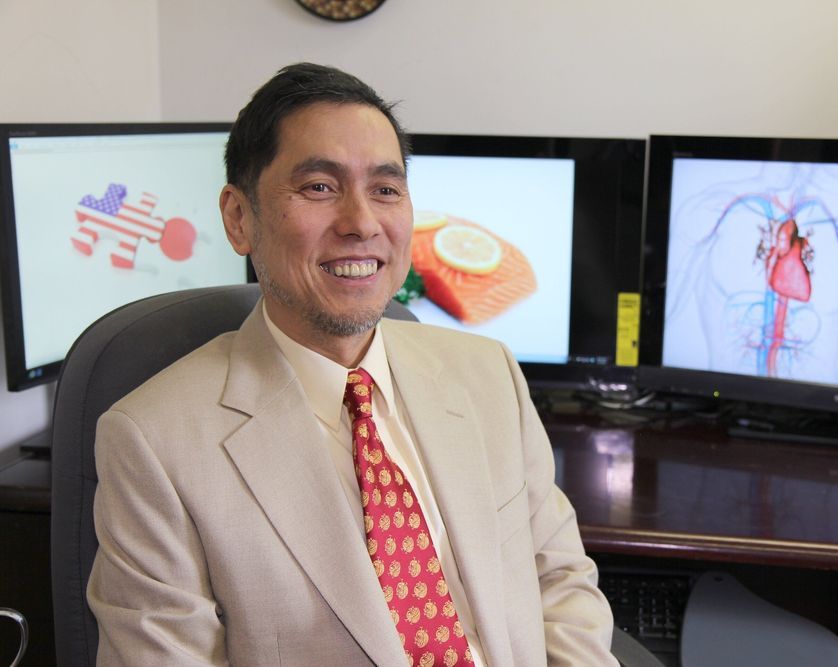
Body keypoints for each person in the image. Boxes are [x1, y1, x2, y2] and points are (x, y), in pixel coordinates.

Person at [87, 62, 617, 666]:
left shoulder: (488, 372)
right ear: (239, 218)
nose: (362, 223)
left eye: (386, 190)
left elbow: (560, 582)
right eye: (319, 187)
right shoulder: (153, 442)